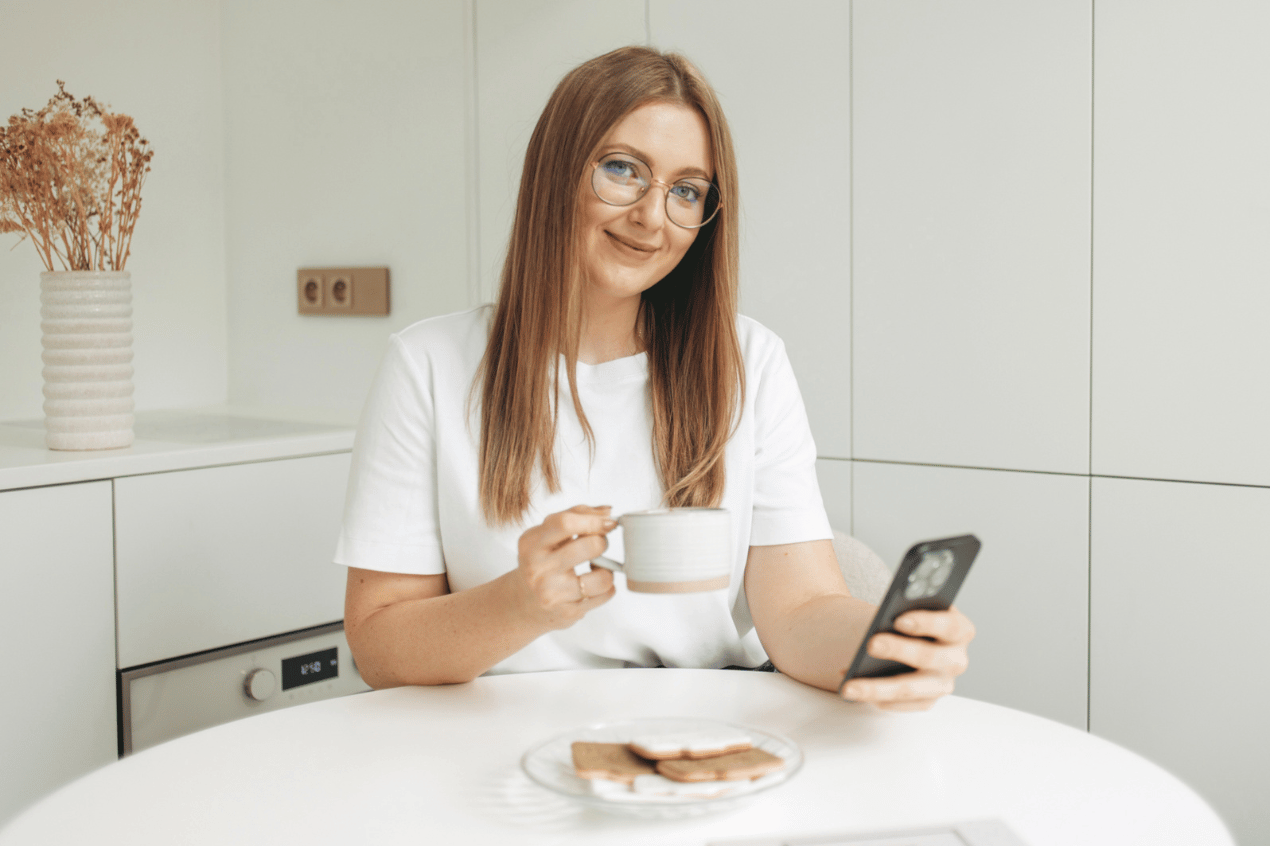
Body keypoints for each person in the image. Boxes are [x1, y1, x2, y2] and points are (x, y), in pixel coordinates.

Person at [335, 45, 974, 711]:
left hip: (703, 737)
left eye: (686, 192)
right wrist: (517, 606)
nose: (651, 217)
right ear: (555, 173)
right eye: (622, 170)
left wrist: (886, 647)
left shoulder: (748, 362)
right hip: (489, 744)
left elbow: (800, 610)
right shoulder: (429, 365)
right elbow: (380, 644)